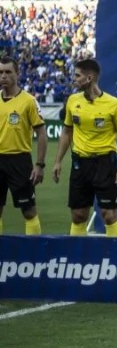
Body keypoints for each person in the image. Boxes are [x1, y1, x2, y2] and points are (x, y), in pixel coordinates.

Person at [51, 58, 117, 236]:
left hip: (105, 163)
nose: (74, 79)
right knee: (78, 215)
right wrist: (57, 162)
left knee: (109, 215)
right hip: (80, 164)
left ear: (89, 78)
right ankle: (77, 260)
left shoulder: (114, 105)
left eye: (77, 75)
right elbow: (66, 132)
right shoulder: (72, 101)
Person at [0, 55, 48, 235]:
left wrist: (40, 164)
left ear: (17, 74)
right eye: (0, 72)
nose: (3, 76)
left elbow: (41, 133)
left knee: (28, 211)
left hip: (19, 161)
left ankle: (35, 255)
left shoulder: (28, 101)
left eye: (8, 72)